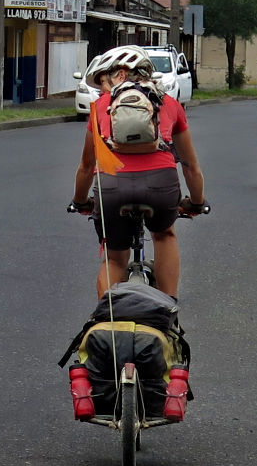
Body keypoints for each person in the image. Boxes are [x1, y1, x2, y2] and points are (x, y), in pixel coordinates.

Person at [70, 46, 207, 299]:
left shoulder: (100, 106)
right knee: (164, 235)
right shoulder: (170, 104)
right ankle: (168, 312)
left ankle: (106, 323)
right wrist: (196, 203)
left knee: (114, 259)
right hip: (161, 186)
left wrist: (80, 202)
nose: (101, 90)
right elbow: (190, 165)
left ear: (120, 74)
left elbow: (87, 166)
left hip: (111, 188)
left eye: (102, 82)